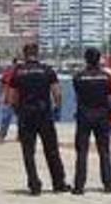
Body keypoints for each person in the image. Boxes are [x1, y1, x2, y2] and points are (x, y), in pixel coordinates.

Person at [9, 43, 69, 195]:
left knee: (28, 151)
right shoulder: (47, 70)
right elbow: (57, 93)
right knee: (52, 150)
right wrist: (57, 109)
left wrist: (17, 111)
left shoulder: (18, 72)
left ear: (24, 54)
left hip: (26, 114)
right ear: (37, 53)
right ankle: (58, 182)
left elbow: (12, 97)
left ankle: (34, 184)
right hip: (44, 114)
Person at [71, 47, 111, 194]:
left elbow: (78, 97)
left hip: (84, 116)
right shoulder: (107, 77)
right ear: (99, 58)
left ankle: (79, 186)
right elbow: (109, 98)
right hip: (102, 116)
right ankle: (108, 184)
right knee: (104, 151)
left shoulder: (78, 77)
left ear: (86, 59)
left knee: (82, 151)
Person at [0, 57, 19, 144]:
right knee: (5, 118)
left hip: (20, 100)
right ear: (13, 64)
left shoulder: (23, 73)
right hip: (8, 99)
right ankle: (1, 135)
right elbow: (1, 85)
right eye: (16, 64)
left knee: (21, 119)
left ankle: (20, 135)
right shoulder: (8, 73)